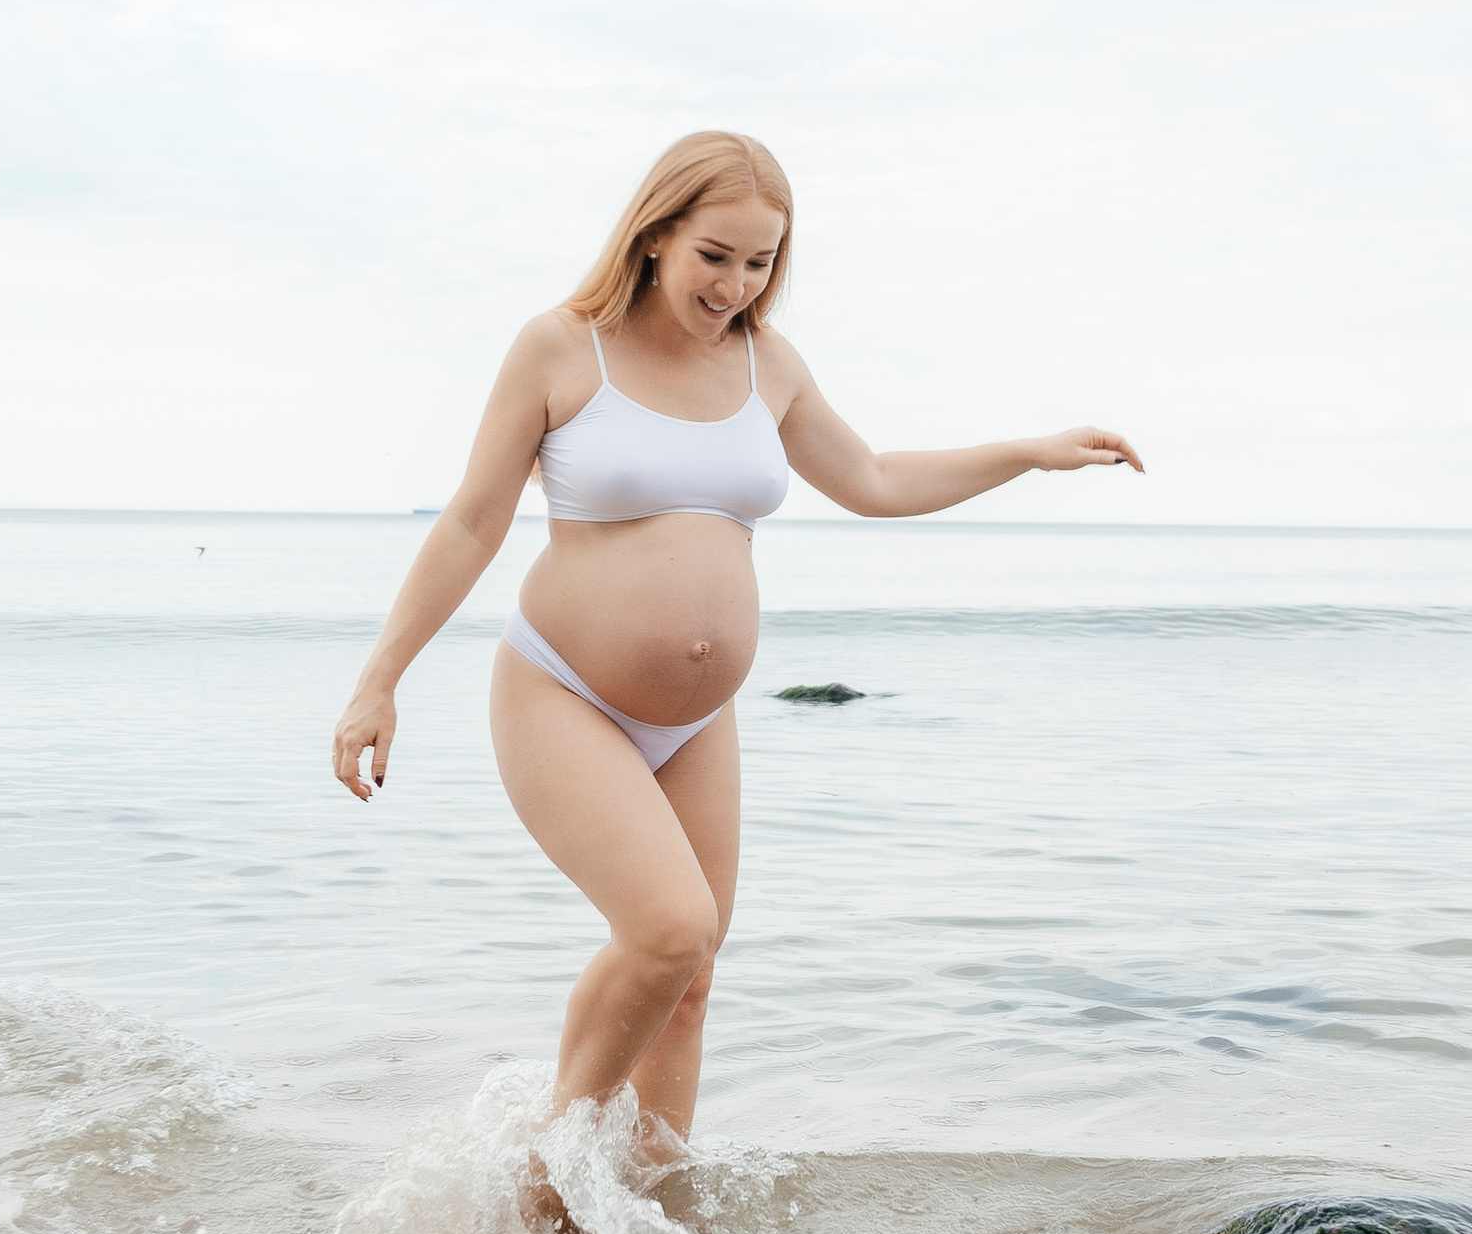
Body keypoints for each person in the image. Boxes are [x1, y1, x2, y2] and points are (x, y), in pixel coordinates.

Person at [330, 131, 1141, 1176]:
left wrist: (1025, 454)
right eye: (716, 255)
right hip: (562, 692)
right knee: (667, 929)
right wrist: (378, 681)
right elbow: (471, 523)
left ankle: (655, 1220)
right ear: (657, 232)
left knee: (694, 973)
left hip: (696, 719)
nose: (735, 284)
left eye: (760, 262)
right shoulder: (560, 348)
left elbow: (877, 480)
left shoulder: (768, 365)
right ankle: (546, 1177)